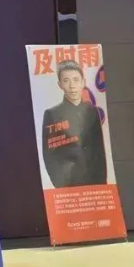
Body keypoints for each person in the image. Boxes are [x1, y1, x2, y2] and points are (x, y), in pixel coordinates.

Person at [41, 59, 107, 188]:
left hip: (95, 182)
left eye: (76, 80)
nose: (72, 86)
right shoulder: (52, 114)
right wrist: (60, 184)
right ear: (60, 84)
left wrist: (102, 183)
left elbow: (99, 149)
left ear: (83, 82)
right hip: (68, 184)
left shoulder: (92, 111)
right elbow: (49, 155)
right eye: (66, 80)